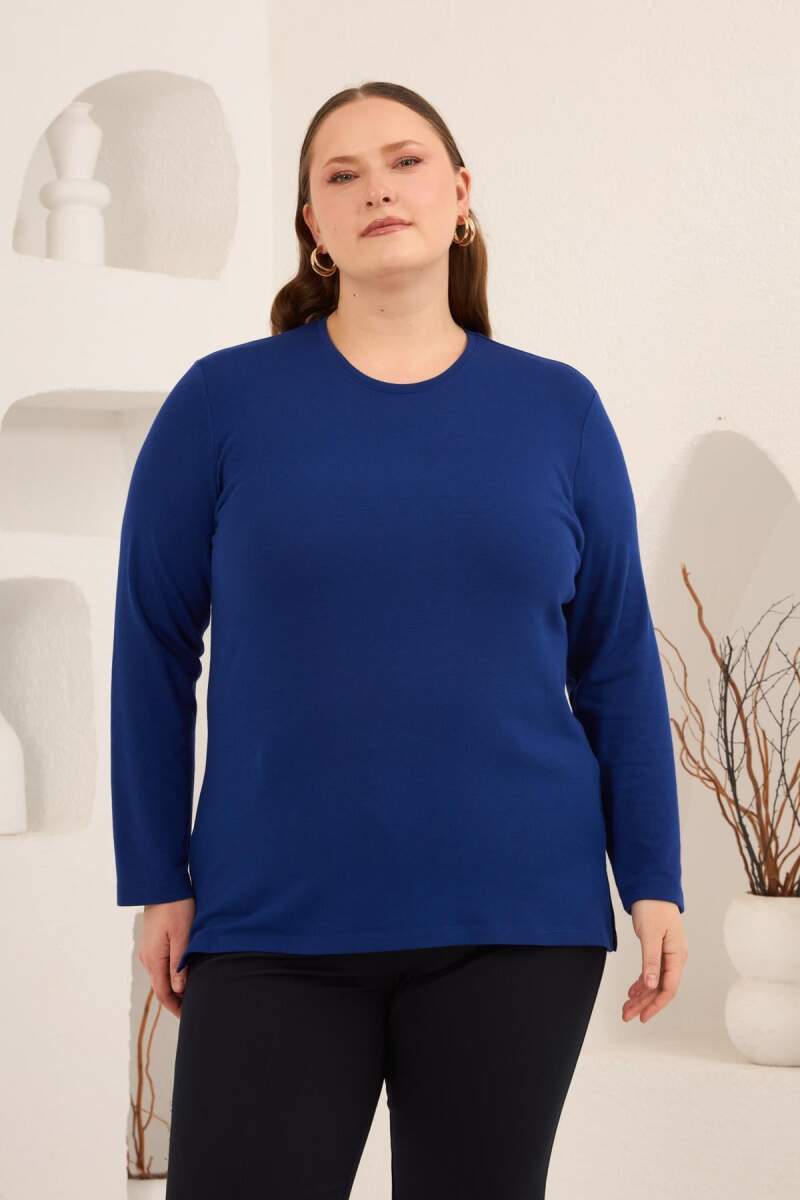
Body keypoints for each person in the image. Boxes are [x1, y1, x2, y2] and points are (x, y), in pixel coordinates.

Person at [110, 81, 689, 1199]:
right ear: (314, 228)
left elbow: (615, 660)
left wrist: (652, 879)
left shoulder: (558, 411)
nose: (377, 186)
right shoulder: (222, 403)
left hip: (517, 920)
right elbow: (153, 643)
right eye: (342, 174)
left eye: (406, 160)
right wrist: (156, 874)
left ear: (459, 195)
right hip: (271, 915)